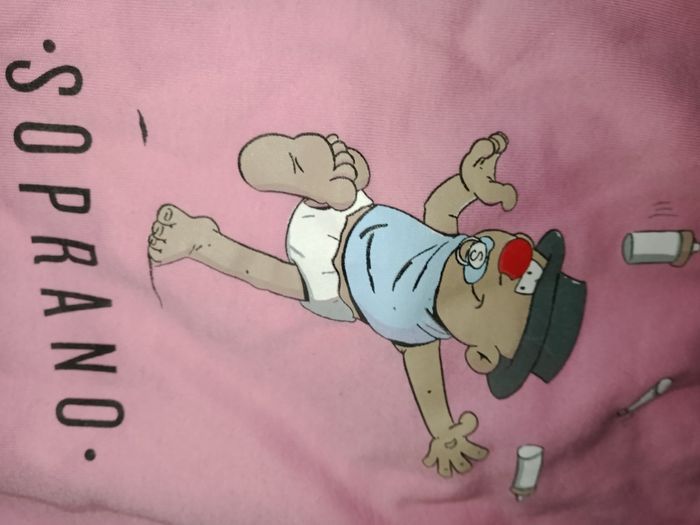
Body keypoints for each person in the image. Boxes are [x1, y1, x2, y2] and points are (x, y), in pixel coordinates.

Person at [148, 131, 586, 478]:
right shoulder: (445, 248)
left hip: (333, 284)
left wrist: (441, 430)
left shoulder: (417, 331)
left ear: (483, 355)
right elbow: (440, 209)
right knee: (342, 176)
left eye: (500, 289)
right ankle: (316, 170)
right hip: (354, 211)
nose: (504, 266)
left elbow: (427, 383)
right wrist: (468, 186)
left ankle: (204, 241)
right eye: (522, 260)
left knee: (275, 276)